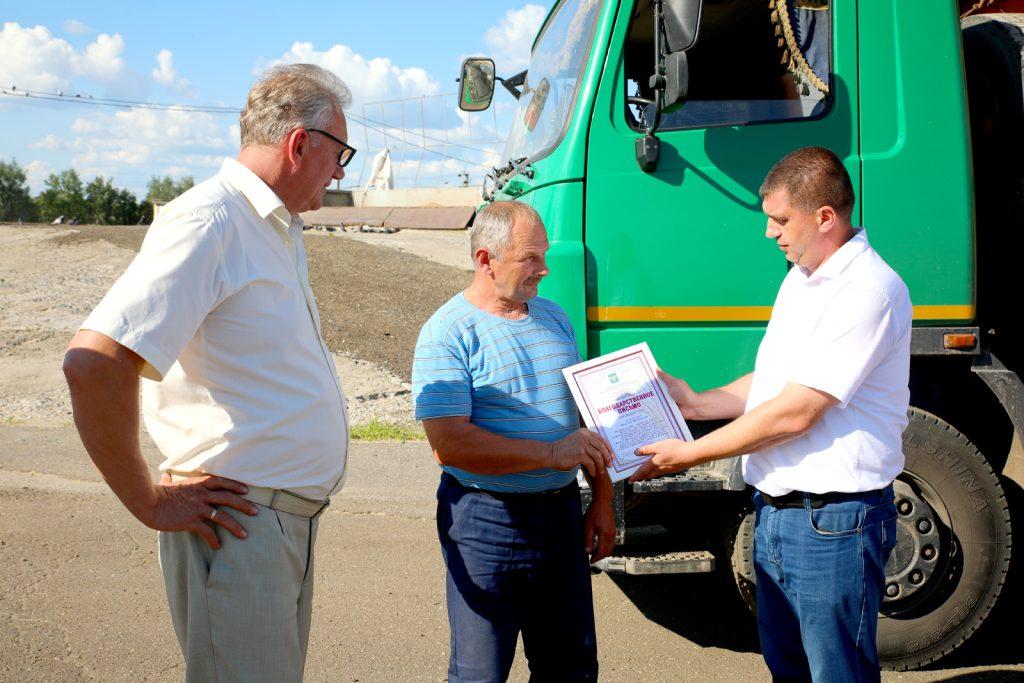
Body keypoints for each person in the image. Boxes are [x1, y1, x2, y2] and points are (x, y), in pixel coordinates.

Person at [62, 63, 357, 682]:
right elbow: (93, 362)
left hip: (271, 525)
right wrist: (147, 501)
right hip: (239, 526)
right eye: (340, 154)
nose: (339, 173)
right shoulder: (212, 221)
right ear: (299, 144)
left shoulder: (271, 227)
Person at [632, 146, 910, 682]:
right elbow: (775, 383)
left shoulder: (869, 291)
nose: (769, 232)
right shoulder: (801, 279)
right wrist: (696, 402)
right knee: (789, 668)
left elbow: (797, 411)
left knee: (837, 673)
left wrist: (691, 453)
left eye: (780, 220)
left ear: (824, 217)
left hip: (834, 522)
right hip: (778, 515)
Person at [412, 200, 616, 683]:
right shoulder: (447, 333)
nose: (545, 269)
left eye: (544, 255)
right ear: (486, 259)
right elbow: (448, 444)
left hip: (560, 515)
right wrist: (551, 453)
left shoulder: (556, 319)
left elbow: (584, 419)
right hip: (486, 521)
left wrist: (603, 499)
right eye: (531, 258)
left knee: (571, 669)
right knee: (480, 673)